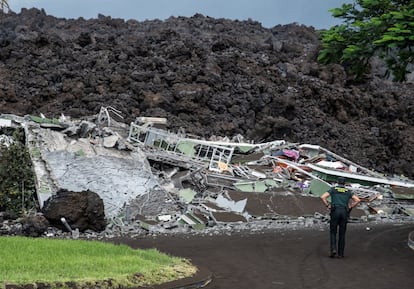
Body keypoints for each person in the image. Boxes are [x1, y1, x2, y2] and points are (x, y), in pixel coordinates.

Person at [320, 176, 360, 258]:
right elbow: (357, 200)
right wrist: (350, 206)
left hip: (335, 211)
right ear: (344, 183)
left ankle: (333, 250)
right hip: (344, 212)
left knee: (333, 232)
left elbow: (323, 197)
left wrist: (328, 205)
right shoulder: (348, 191)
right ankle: (341, 253)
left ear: (337, 182)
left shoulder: (333, 189)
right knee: (342, 233)